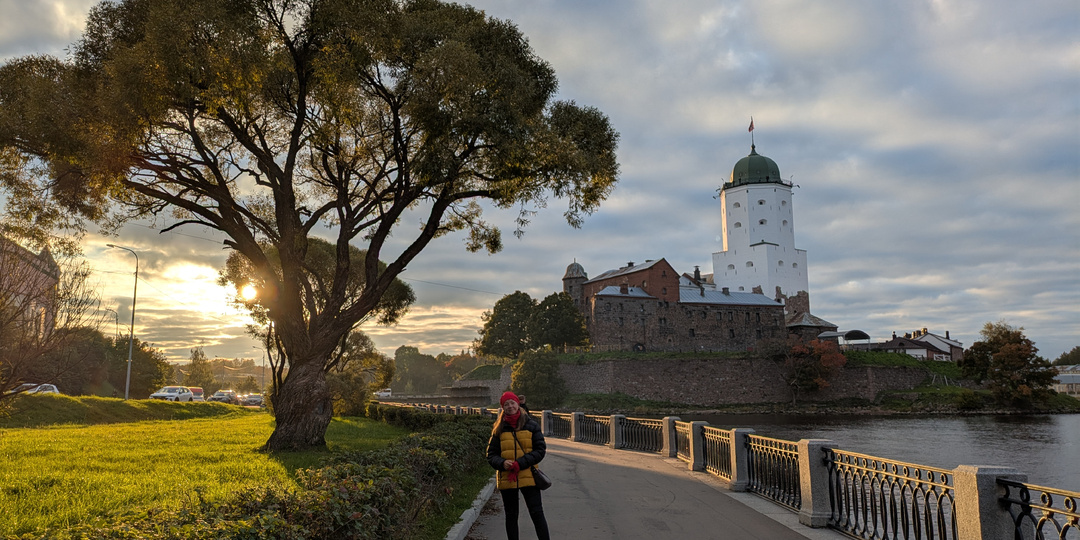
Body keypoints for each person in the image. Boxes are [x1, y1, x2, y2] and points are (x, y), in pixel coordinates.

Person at [486, 391, 550, 540]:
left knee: (537, 513)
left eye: (512, 403)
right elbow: (491, 455)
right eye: (506, 404)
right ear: (503, 408)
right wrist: (502, 463)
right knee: (511, 516)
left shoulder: (531, 425)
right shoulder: (499, 429)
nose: (510, 406)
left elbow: (540, 450)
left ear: (518, 404)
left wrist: (520, 463)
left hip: (529, 476)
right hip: (507, 477)